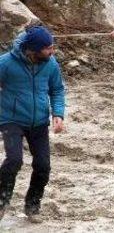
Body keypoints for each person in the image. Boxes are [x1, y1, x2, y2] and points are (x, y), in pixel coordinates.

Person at [0, 25, 65, 223]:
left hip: (39, 122)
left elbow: (57, 90)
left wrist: (58, 114)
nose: (51, 51)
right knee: (14, 160)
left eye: (52, 46)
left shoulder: (51, 63)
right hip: (12, 120)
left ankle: (32, 206)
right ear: (32, 50)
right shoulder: (6, 63)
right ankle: (1, 202)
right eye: (47, 48)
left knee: (43, 166)